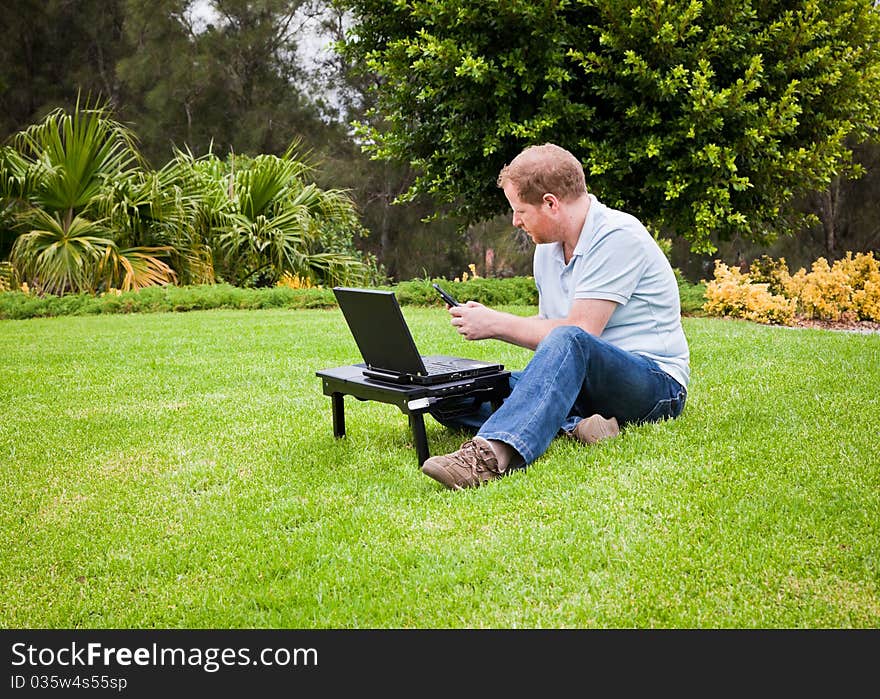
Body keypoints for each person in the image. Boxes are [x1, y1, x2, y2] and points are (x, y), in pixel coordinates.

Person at [422, 143, 690, 490]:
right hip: (582, 383)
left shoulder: (618, 236)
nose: (515, 221)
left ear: (550, 203)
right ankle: (577, 425)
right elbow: (553, 330)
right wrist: (489, 318)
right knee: (452, 397)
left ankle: (487, 457)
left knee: (571, 339)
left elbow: (578, 333)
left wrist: (497, 324)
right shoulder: (547, 249)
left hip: (653, 382)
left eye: (519, 211)